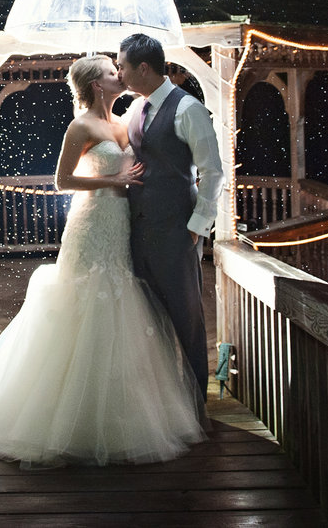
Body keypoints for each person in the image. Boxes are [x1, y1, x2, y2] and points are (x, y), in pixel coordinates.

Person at [0, 54, 208, 467]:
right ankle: (67, 417)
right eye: (110, 72)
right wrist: (113, 179)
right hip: (91, 221)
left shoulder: (125, 122)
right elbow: (62, 180)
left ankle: (121, 412)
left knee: (121, 299)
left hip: (122, 222)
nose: (118, 74)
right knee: (86, 299)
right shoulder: (81, 126)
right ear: (95, 84)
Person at [116, 33, 224, 400]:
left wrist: (197, 227)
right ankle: (163, 403)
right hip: (138, 231)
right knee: (149, 320)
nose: (118, 71)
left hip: (177, 231)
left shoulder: (187, 108)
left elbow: (213, 172)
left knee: (186, 319)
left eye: (122, 65)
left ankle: (196, 405)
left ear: (142, 68)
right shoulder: (136, 108)